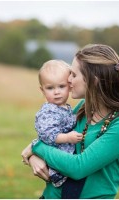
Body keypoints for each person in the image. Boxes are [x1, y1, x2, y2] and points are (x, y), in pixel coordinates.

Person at [21, 44, 119, 199]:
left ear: (93, 80)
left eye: (73, 75)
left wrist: (35, 147)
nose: (68, 80)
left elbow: (78, 167)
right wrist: (33, 155)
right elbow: (52, 136)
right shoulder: (84, 107)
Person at [34, 60, 84, 189]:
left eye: (61, 86)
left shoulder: (65, 108)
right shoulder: (49, 111)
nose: (56, 92)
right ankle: (57, 176)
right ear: (42, 90)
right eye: (50, 88)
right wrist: (67, 138)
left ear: (69, 85)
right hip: (58, 162)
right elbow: (48, 135)